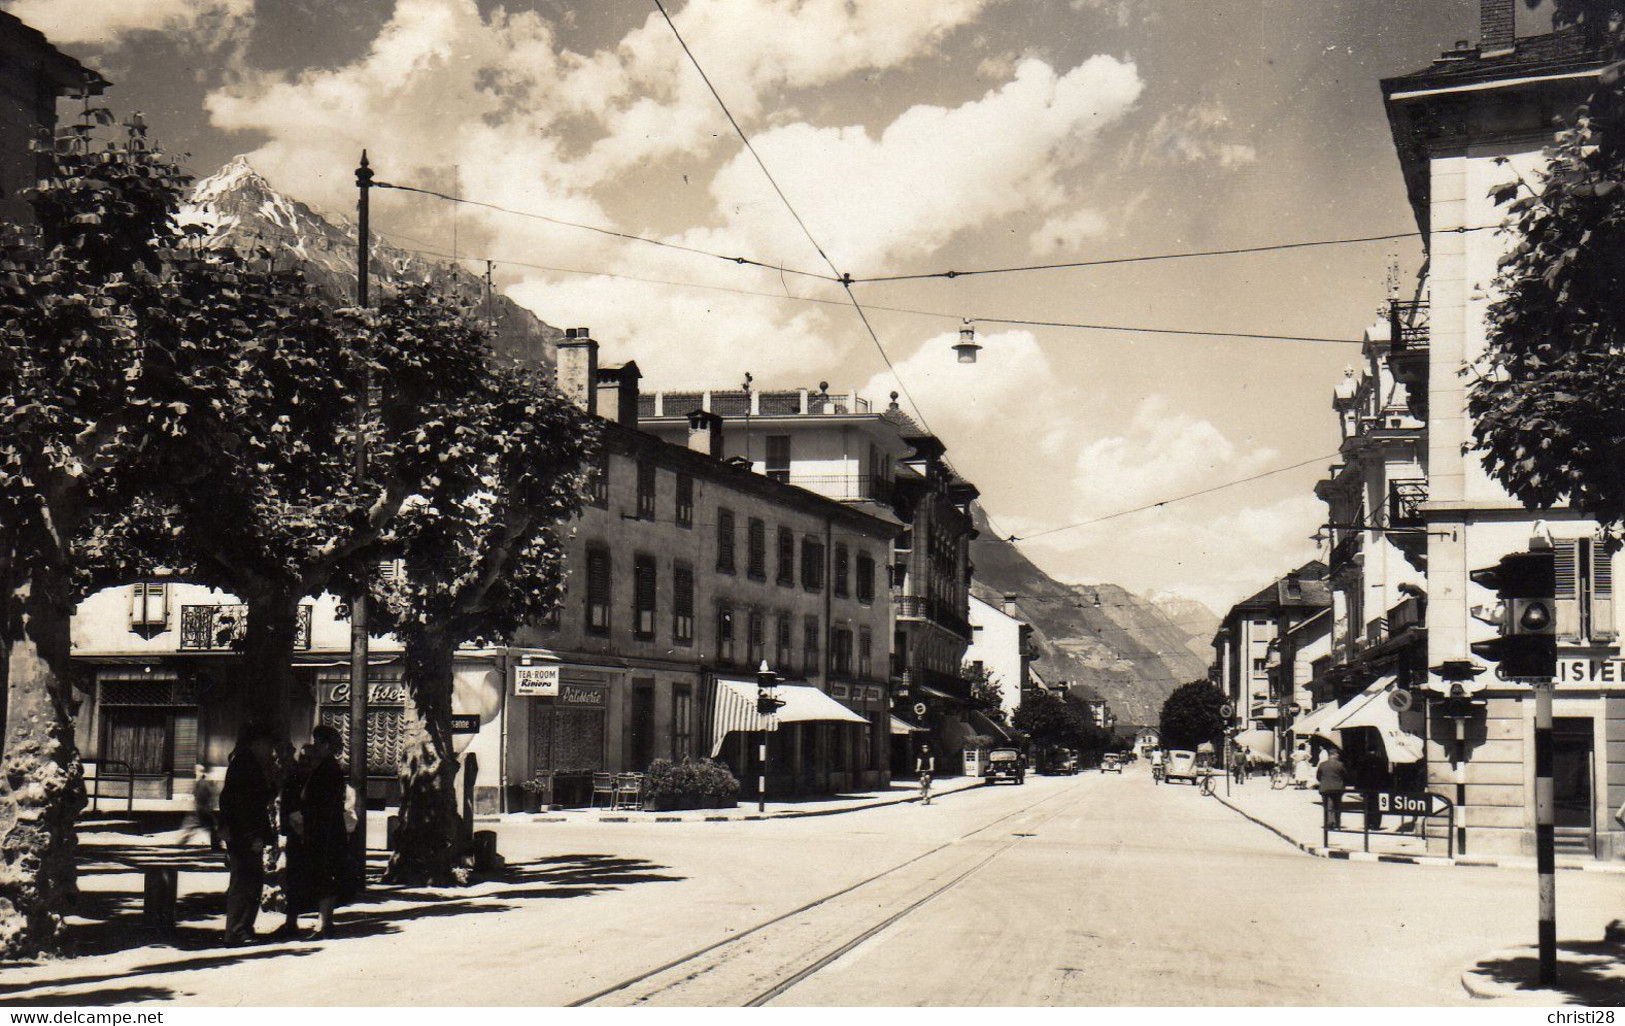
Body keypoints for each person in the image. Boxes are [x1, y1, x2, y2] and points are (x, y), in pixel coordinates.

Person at [274, 725, 350, 940]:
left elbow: (321, 804)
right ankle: (316, 924)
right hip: (317, 830)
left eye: (317, 743)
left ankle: (324, 925)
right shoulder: (322, 768)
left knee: (324, 875)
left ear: (325, 745)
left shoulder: (329, 769)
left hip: (324, 832)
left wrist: (304, 818)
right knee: (312, 875)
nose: (314, 747)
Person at [219, 722, 277, 946]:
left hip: (242, 832)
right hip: (244, 833)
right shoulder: (246, 764)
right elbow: (244, 805)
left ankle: (243, 929)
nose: (270, 749)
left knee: (249, 881)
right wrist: (254, 835)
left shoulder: (246, 762)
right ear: (257, 742)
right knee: (245, 882)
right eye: (268, 744)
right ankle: (237, 931)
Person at [1317, 747, 1348, 833]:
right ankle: (1337, 823)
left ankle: (1330, 822)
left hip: (1325, 788)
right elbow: (1345, 776)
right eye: (1337, 754)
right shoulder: (1340, 764)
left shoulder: (1322, 764)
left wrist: (1323, 782)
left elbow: (1318, 776)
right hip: (1337, 788)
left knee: (1328, 806)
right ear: (1334, 754)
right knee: (1338, 805)